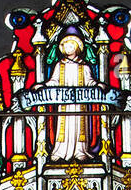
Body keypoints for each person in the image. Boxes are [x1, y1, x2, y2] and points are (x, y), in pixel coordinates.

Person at [39, 27, 100, 162]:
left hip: (79, 105)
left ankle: (80, 150)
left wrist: (98, 85)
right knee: (63, 126)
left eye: (71, 45)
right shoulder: (59, 65)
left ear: (77, 47)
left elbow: (90, 82)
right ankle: (60, 151)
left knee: (79, 126)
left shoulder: (84, 66)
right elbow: (53, 82)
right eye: (65, 45)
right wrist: (42, 86)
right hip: (64, 104)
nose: (68, 48)